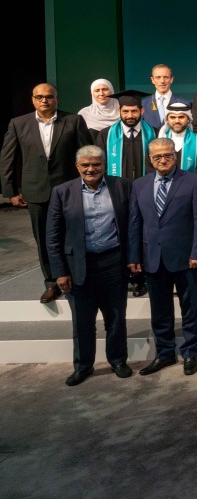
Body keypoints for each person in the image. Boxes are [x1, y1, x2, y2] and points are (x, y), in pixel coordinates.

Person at [46, 145, 135, 385]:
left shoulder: (122, 186)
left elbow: (132, 225)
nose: (91, 168)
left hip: (113, 263)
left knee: (116, 318)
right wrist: (60, 272)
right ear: (77, 167)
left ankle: (118, 360)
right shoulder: (62, 192)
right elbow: (53, 237)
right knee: (83, 322)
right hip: (77, 268)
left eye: (96, 164)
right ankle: (83, 366)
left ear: (104, 165)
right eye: (85, 165)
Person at [1, 83, 94, 303]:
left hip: (69, 190)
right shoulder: (18, 123)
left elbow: (87, 154)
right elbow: (8, 159)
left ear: (56, 99)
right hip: (35, 191)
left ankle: (77, 278)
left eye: (49, 97)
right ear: (33, 99)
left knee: (73, 236)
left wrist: (90, 184)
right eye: (40, 97)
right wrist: (11, 191)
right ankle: (52, 283)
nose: (44, 100)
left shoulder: (73, 121)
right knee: (43, 239)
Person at [128, 138, 197, 376]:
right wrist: (134, 256)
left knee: (190, 307)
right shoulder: (139, 184)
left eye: (168, 155)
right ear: (150, 160)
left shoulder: (193, 181)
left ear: (176, 156)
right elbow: (135, 222)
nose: (163, 160)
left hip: (185, 258)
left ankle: (190, 353)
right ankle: (164, 354)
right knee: (159, 310)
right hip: (153, 257)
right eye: (157, 157)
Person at [95, 90, 155, 180]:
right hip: (116, 187)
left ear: (142, 111)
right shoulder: (106, 135)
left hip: (147, 187)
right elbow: (99, 164)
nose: (130, 115)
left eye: (134, 111)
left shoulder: (154, 134)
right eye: (125, 111)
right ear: (119, 111)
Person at [158, 102, 197, 173]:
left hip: (191, 183)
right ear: (167, 120)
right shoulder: (158, 141)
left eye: (181, 117)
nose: (177, 121)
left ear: (188, 119)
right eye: (173, 117)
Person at [142, 64, 190, 131]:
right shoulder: (143, 104)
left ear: (171, 79)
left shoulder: (184, 103)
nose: (162, 81)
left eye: (166, 77)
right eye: (158, 77)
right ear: (152, 80)